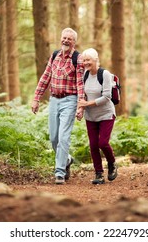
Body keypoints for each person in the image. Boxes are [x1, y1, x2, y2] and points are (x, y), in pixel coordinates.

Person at [31, 27, 85, 185]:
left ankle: (59, 172)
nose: (66, 40)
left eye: (69, 38)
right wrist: (36, 98)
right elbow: (46, 77)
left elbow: (80, 84)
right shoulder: (54, 55)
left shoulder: (78, 58)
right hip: (54, 100)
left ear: (74, 42)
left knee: (63, 138)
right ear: (60, 38)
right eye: (64, 37)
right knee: (54, 138)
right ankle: (67, 159)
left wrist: (80, 106)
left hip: (70, 100)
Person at [78, 48, 118, 185]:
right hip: (91, 116)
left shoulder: (105, 74)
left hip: (106, 114)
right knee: (93, 145)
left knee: (103, 143)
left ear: (96, 60)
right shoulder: (85, 75)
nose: (85, 63)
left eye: (88, 60)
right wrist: (81, 108)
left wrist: (88, 103)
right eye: (84, 60)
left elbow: (107, 96)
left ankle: (112, 163)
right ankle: (99, 173)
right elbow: (82, 95)